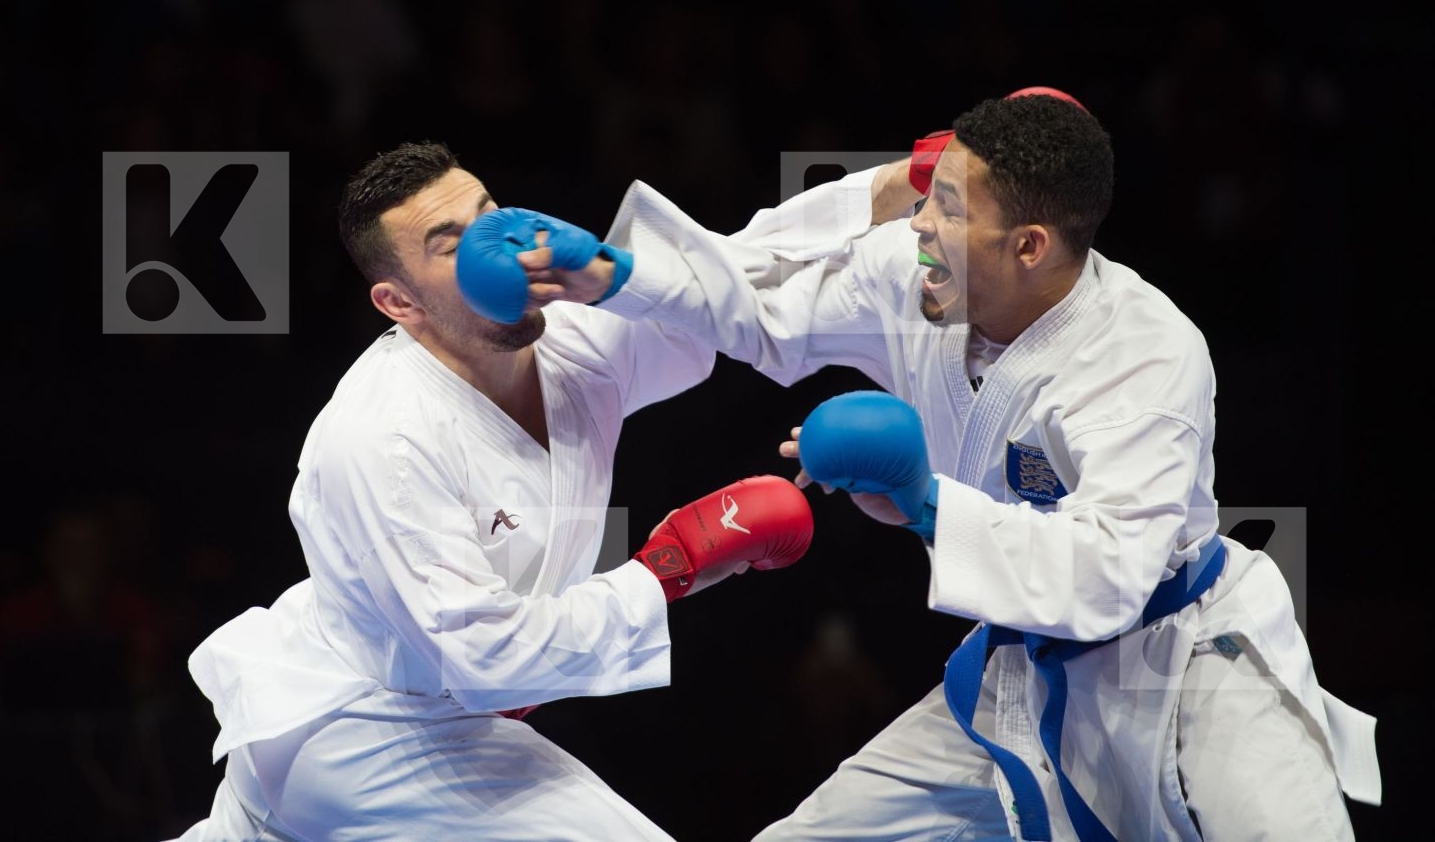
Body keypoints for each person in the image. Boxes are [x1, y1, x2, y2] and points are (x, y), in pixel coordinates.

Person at [503, 95, 1381, 840]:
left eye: (949, 206)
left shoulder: (1145, 359)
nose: (918, 223)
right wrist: (620, 275)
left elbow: (1112, 574)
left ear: (1029, 245)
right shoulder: (912, 277)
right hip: (1024, 666)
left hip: (1185, 663)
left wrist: (925, 503)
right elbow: (762, 305)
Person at [169, 141, 814, 842]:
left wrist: (891, 188)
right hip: (363, 728)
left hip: (436, 715)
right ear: (399, 302)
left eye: (490, 218)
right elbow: (490, 660)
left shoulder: (574, 338)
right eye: (451, 247)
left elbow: (730, 291)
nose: (494, 253)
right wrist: (669, 568)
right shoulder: (384, 437)